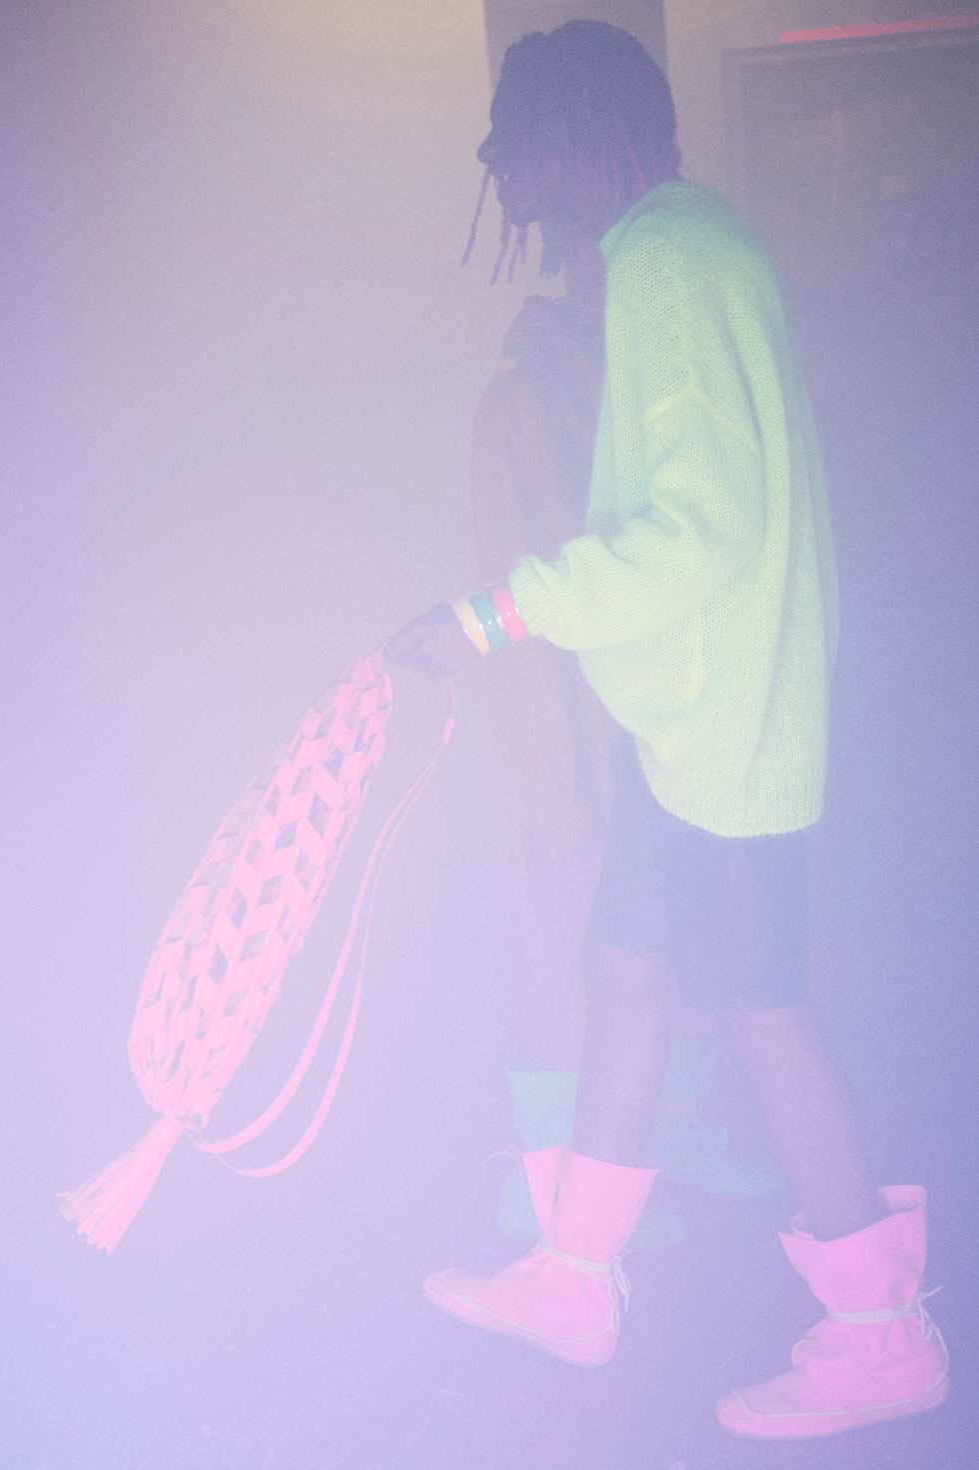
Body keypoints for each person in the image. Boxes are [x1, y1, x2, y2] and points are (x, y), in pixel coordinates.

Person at [386, 20, 949, 1441]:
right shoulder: (681, 247)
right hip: (696, 726)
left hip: (723, 744)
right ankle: (575, 1276)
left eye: (516, 141)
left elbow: (699, 530)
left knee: (764, 1016)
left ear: (578, 136)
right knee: (625, 976)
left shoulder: (669, 263)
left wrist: (494, 615)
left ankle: (882, 1336)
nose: (501, 170)